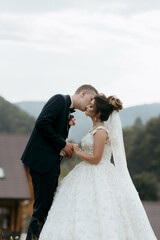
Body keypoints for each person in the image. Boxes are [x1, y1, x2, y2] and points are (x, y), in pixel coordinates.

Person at [39, 94, 157, 240]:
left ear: (98, 112)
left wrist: (77, 150)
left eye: (91, 105)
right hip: (86, 171)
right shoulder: (94, 129)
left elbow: (96, 159)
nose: (87, 106)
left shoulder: (101, 131)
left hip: (99, 173)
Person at [21, 84, 98, 240]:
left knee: (47, 208)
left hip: (51, 163)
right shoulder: (59, 100)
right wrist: (63, 144)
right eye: (90, 100)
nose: (90, 105)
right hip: (42, 163)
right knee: (42, 209)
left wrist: (63, 149)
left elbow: (52, 137)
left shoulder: (67, 109)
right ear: (83, 93)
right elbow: (42, 123)